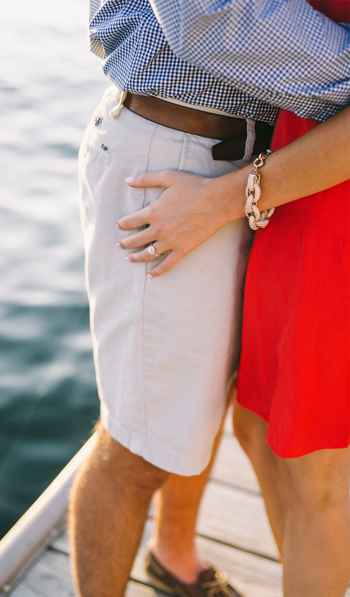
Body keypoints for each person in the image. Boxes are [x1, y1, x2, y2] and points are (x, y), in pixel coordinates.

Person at [70, 0, 350, 595]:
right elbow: (201, 13)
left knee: (215, 394)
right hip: (171, 151)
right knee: (135, 448)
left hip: (261, 161)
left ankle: (173, 556)